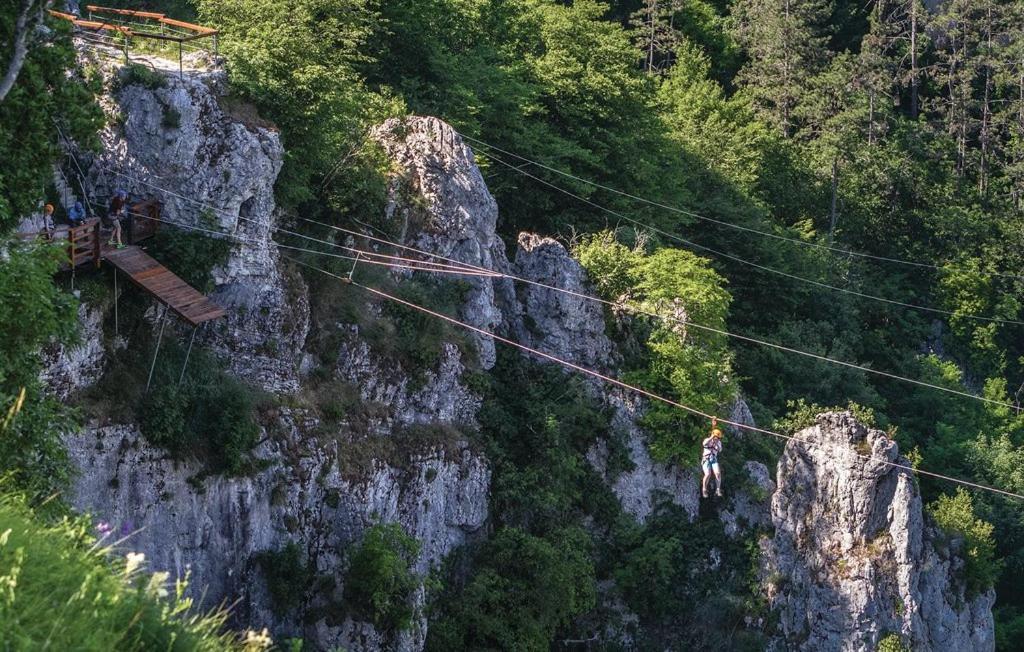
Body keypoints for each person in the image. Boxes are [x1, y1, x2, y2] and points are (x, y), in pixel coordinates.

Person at [701, 417, 724, 498]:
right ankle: (704, 489)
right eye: (716, 437)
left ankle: (718, 489)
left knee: (717, 473)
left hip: (713, 459)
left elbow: (720, 450)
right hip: (706, 459)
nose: (717, 439)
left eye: (718, 438)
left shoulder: (719, 443)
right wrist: (712, 437)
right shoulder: (707, 440)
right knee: (707, 474)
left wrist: (717, 443)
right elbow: (704, 444)